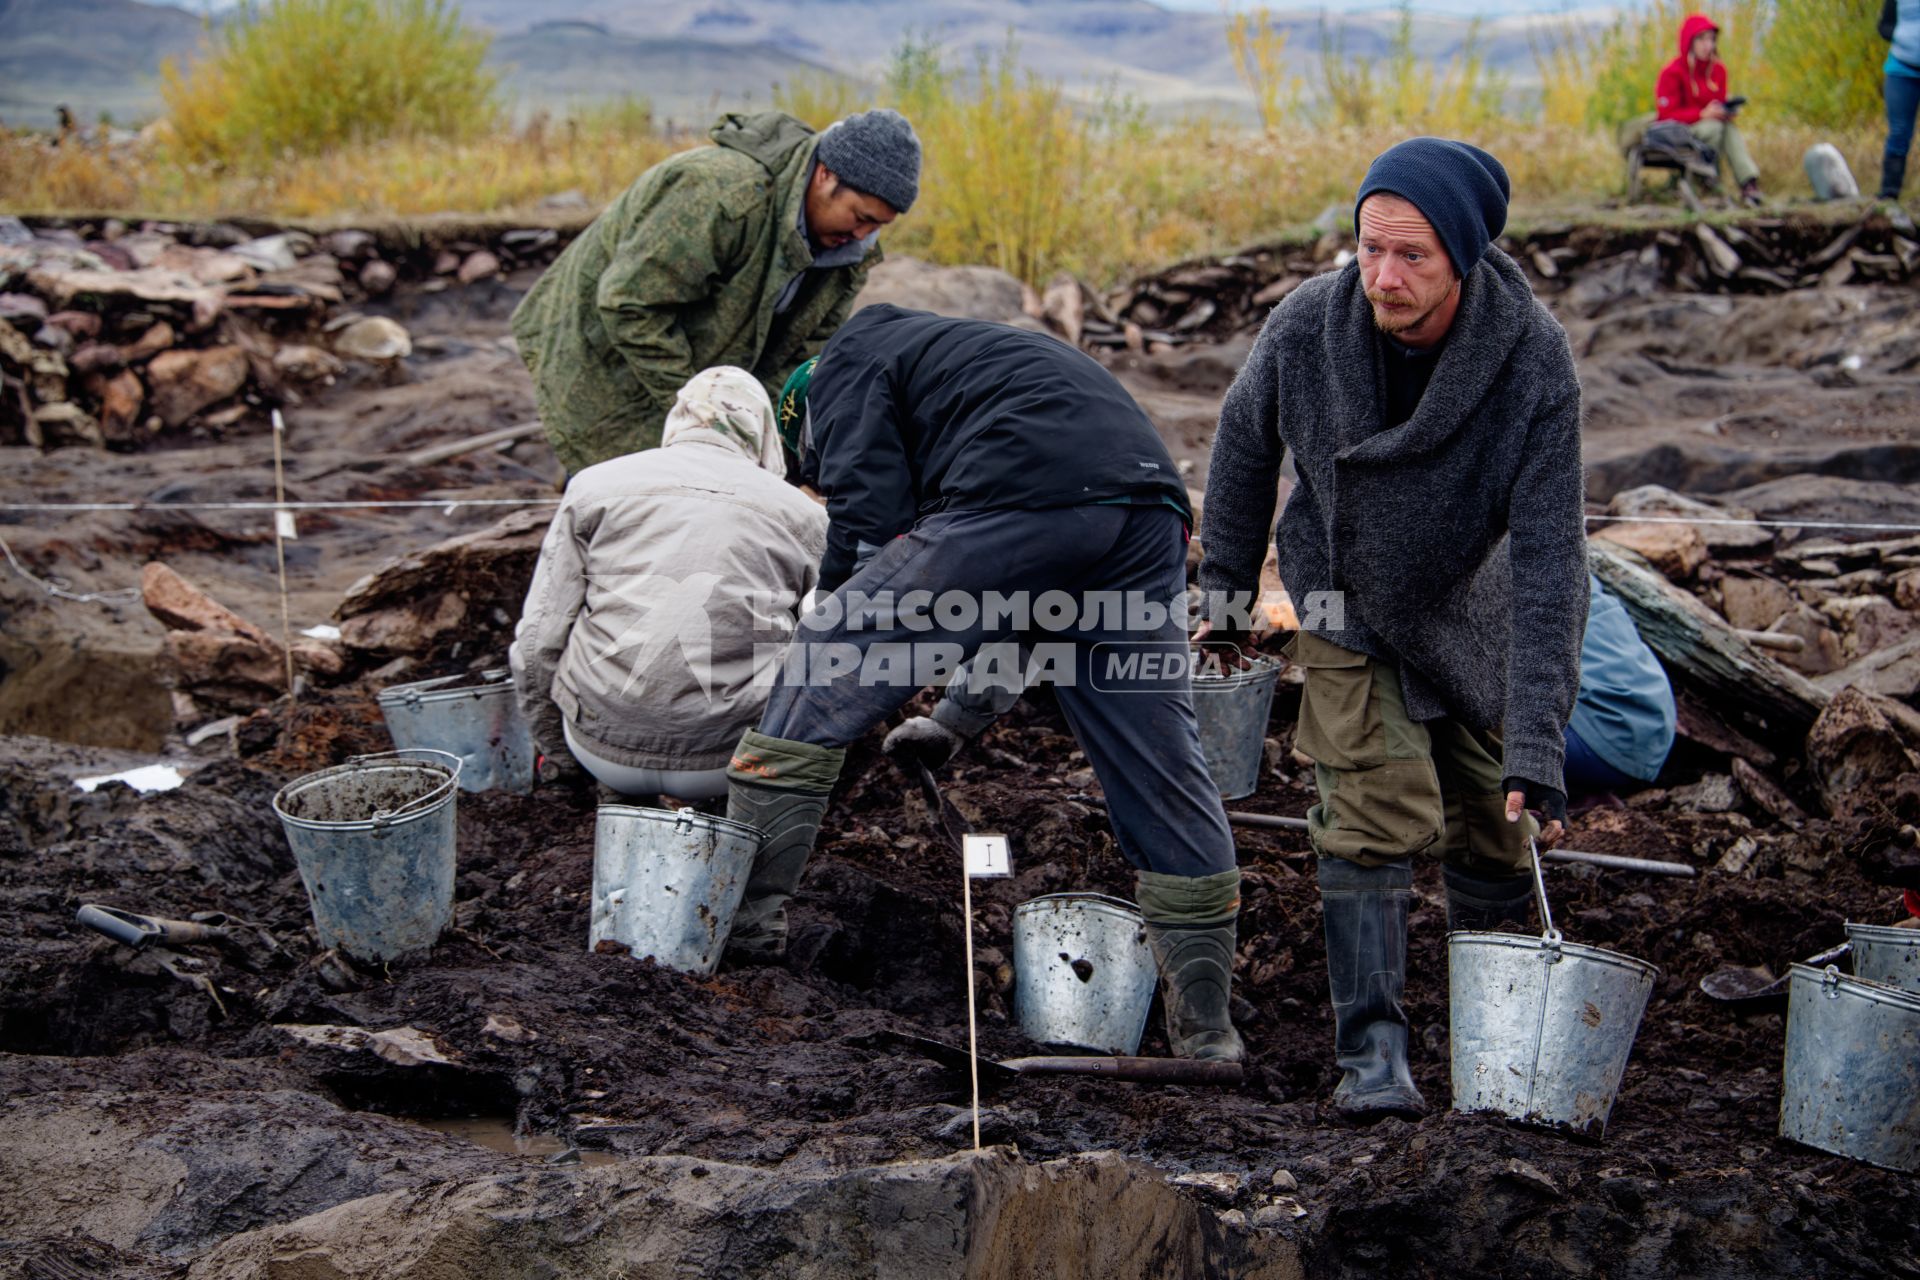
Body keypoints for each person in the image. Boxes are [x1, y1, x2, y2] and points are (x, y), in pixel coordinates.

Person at [720, 304, 1247, 1064]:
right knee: (1160, 766)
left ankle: (745, 933)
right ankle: (1206, 1032)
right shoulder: (964, 375)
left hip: (1032, 487)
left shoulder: (841, 362)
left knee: (818, 671)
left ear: (801, 426)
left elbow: (873, 523)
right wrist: (956, 719)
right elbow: (1021, 589)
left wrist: (839, 617)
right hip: (1145, 511)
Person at [1196, 138, 1588, 1118]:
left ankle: (1490, 1037)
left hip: (1468, 602)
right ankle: (1371, 1053)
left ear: (1463, 254)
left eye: (1412, 255)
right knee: (1371, 810)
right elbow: (1243, 450)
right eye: (1371, 247)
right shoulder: (1307, 327)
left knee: (1495, 825)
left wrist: (1538, 733)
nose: (1384, 276)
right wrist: (1224, 597)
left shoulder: (1531, 359)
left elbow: (1550, 554)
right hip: (1342, 595)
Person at [510, 109, 920, 474]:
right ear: (826, 173)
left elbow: (801, 355)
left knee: (700, 486)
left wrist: (763, 438)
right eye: (861, 216)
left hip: (702, 362)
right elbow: (630, 306)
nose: (863, 235)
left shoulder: (849, 254)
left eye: (878, 226)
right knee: (618, 485)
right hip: (600, 350)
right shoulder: (721, 194)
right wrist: (705, 414)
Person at [509, 367, 827, 804]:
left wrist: (560, 759)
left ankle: (616, 800)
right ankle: (739, 821)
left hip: (600, 748)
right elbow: (822, 651)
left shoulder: (593, 486)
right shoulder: (804, 516)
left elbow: (536, 643)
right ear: (763, 434)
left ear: (676, 419)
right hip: (730, 759)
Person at [1565, 574, 1677, 800]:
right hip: (1652, 744)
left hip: (1606, 748)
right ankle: (1582, 791)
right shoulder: (1577, 571)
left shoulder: (1506, 570)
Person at [1656, 13, 1762, 206]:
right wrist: (1701, 114)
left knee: (1726, 127)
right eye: (1702, 39)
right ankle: (1709, 182)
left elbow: (1718, 103)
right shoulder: (1672, 72)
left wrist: (1725, 112)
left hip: (1711, 127)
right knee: (1714, 127)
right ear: (1689, 41)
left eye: (1711, 39)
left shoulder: (1718, 71)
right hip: (1681, 130)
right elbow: (1666, 115)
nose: (1708, 45)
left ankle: (1748, 183)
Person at [1881, 0, 1920, 201]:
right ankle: (1889, 193)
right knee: (1899, 132)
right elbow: (1884, 27)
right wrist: (1901, 36)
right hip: (1901, 70)